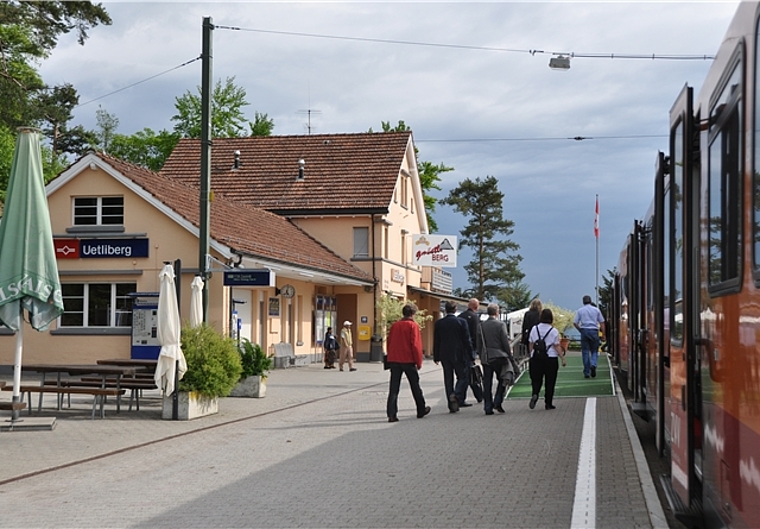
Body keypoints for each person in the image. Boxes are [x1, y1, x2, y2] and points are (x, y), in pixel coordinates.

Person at [386, 303, 431, 422]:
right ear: (413, 314)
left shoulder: (395, 325)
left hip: (394, 359)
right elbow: (416, 345)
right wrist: (419, 361)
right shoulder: (413, 326)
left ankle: (392, 414)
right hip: (408, 359)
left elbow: (389, 342)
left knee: (394, 388)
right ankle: (421, 409)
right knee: (415, 385)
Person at [433, 301, 473, 413]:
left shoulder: (439, 323)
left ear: (445, 310)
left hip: (444, 355)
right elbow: (467, 340)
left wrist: (436, 356)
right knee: (463, 377)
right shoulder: (461, 322)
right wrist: (471, 355)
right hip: (459, 354)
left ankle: (451, 405)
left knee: (448, 379)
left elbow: (437, 340)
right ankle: (456, 394)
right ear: (455, 310)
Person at [476, 303, 514, 415]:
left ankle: (488, 407)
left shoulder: (481, 326)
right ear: (497, 312)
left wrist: (481, 354)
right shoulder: (500, 325)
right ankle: (498, 401)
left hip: (486, 357)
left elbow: (478, 344)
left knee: (487, 382)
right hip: (499, 356)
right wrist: (509, 355)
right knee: (502, 378)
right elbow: (504, 343)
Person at [528, 308, 566, 410]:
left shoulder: (534, 329)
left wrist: (531, 355)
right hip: (550, 358)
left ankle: (535, 393)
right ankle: (548, 403)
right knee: (550, 381)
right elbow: (557, 346)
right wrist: (562, 358)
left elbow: (531, 343)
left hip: (536, 358)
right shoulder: (553, 331)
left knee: (536, 379)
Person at [573, 295, 606, 378]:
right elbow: (602, 322)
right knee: (594, 350)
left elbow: (575, 323)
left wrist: (580, 330)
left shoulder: (580, 311)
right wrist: (604, 334)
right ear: (591, 301)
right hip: (594, 331)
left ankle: (586, 372)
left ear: (583, 302)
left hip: (584, 330)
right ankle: (593, 364)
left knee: (585, 352)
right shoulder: (596, 310)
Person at [458, 297, 483, 403]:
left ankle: (475, 396)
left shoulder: (460, 317)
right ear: (476, 307)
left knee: (464, 374)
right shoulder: (475, 318)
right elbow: (476, 334)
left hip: (459, 349)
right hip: (470, 348)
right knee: (471, 373)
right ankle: (477, 395)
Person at [521, 298, 542, 387]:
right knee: (540, 357)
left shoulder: (528, 314)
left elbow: (524, 326)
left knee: (531, 357)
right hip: (540, 338)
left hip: (530, 337)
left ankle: (533, 376)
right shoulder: (541, 314)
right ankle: (540, 374)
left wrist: (523, 338)